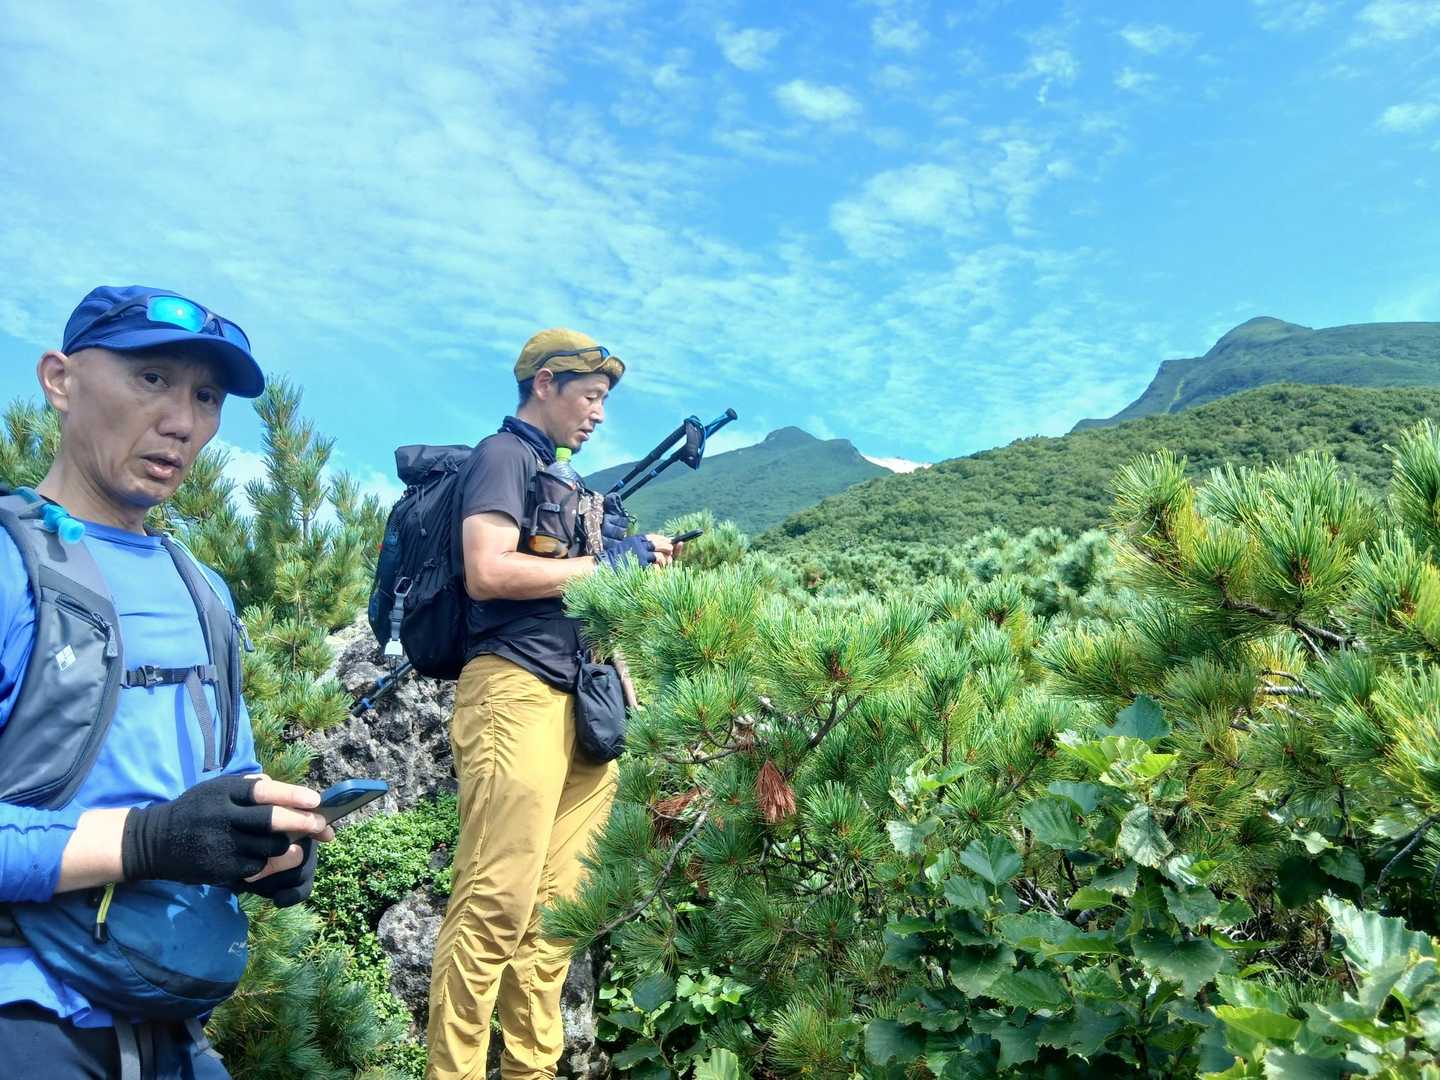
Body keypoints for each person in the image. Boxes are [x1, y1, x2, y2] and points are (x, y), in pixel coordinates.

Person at [0, 286, 334, 1079]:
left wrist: (266, 842)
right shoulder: (13, 566)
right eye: (152, 378)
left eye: (207, 396)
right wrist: (149, 841)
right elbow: (163, 831)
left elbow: (230, 777)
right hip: (25, 1013)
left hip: (174, 1028)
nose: (183, 421)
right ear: (59, 380)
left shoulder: (203, 589)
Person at [427, 329, 676, 1079]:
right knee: (495, 901)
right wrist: (608, 563)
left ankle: (532, 1072)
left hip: (586, 705)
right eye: (590, 396)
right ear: (545, 383)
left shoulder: (566, 483)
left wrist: (632, 570)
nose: (599, 414)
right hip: (515, 691)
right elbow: (487, 570)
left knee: (556, 919)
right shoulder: (503, 456)